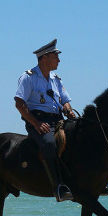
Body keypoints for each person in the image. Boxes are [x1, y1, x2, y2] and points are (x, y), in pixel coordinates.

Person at [14, 39, 74, 202]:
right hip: (38, 121)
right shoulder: (28, 77)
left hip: (58, 119)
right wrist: (36, 123)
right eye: (56, 56)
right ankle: (58, 187)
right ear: (45, 58)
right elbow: (19, 104)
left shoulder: (56, 78)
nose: (59, 60)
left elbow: (64, 99)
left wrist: (68, 109)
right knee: (49, 144)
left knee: (81, 134)